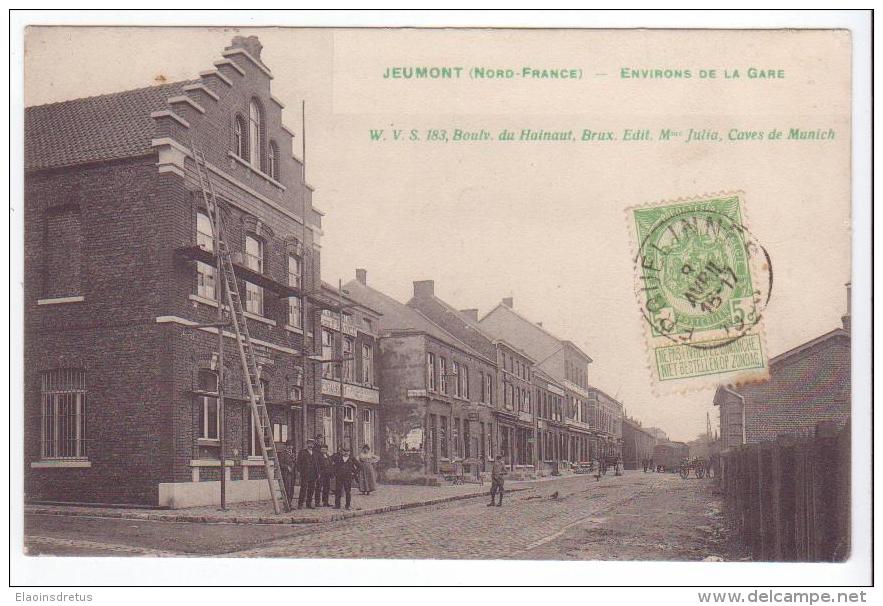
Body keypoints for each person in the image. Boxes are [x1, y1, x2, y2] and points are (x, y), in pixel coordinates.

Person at [331, 445, 361, 509]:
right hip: (339, 477)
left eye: (347, 451)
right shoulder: (338, 458)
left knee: (348, 491)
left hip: (348, 477)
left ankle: (347, 505)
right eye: (344, 451)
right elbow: (334, 466)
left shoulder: (352, 458)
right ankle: (337, 505)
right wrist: (335, 473)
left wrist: (354, 474)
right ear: (342, 452)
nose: (346, 453)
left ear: (349, 452)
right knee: (338, 491)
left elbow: (359, 466)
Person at [296, 440, 319, 509]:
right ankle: (300, 504)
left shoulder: (315, 453)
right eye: (309, 443)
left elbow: (318, 464)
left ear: (314, 445)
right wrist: (299, 471)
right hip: (305, 474)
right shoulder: (302, 452)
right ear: (307, 444)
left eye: (312, 444)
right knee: (303, 489)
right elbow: (298, 463)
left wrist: (318, 473)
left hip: (313, 473)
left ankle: (308, 504)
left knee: (311, 489)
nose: (311, 445)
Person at [279, 438, 296, 506]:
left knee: (291, 489)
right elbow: (280, 463)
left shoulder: (293, 454)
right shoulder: (283, 453)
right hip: (286, 474)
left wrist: (294, 460)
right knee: (287, 489)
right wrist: (287, 467)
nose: (290, 447)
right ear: (286, 446)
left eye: (291, 445)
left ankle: (290, 503)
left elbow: (295, 462)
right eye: (288, 445)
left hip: (292, 473)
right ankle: (286, 504)